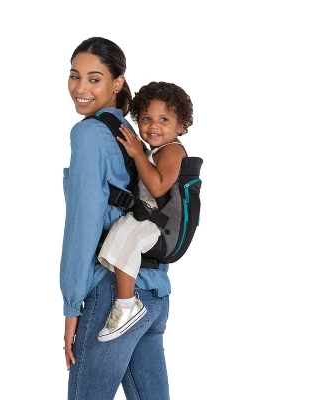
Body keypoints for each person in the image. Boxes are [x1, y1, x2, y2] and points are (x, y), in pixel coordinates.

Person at [60, 37, 174, 400]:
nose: (81, 89)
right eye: (75, 76)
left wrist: (71, 305)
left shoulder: (88, 133)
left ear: (117, 83)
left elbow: (83, 225)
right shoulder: (128, 133)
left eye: (94, 79)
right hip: (153, 293)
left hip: (112, 297)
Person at [97, 81, 193, 342]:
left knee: (128, 236)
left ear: (180, 126)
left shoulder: (172, 150)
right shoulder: (157, 150)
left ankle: (126, 305)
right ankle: (127, 302)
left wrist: (139, 155)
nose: (153, 125)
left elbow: (159, 187)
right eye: (146, 118)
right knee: (119, 236)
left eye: (164, 119)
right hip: (149, 219)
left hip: (162, 228)